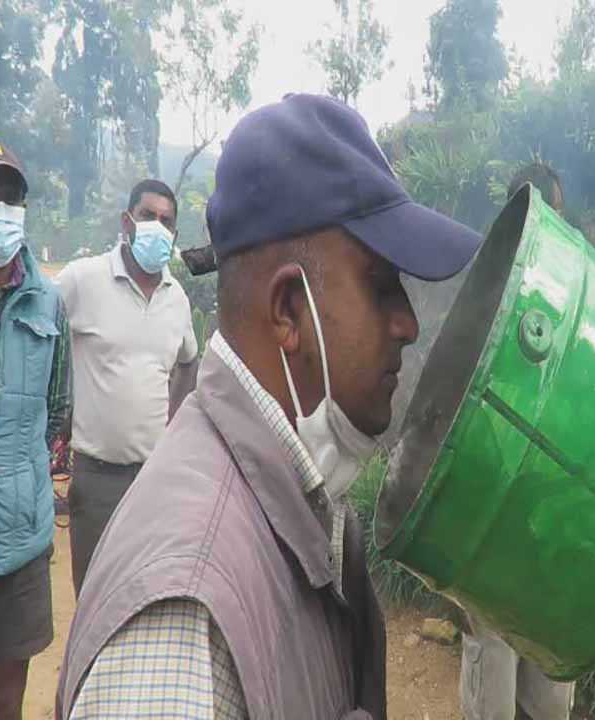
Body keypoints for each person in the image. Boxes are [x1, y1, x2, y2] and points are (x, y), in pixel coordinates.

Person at [55, 94, 482, 719]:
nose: (408, 324)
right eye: (380, 284)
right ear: (287, 310)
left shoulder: (295, 487)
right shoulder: (183, 635)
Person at [459, 161, 575, 720]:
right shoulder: (491, 284)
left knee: (548, 671)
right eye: (549, 212)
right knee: (494, 665)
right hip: (491, 506)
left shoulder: (570, 291)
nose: (557, 224)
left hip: (545, 510)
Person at [56, 179, 198, 596]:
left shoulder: (176, 298)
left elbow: (188, 361)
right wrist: (57, 411)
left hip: (155, 480)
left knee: (148, 593)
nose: (157, 226)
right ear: (126, 222)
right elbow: (39, 330)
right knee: (95, 596)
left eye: (166, 221)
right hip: (98, 478)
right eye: (148, 216)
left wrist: (174, 426)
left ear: (174, 233)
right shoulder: (83, 280)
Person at [0, 137, 72, 720]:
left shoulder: (46, 303)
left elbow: (57, 409)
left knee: (4, 703)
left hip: (21, 545)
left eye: (13, 199)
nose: (3, 211)